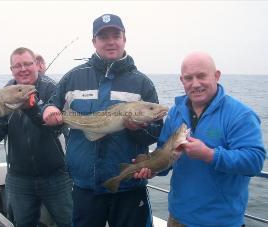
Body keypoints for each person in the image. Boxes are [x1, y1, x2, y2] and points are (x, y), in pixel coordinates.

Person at [42, 14, 163, 227]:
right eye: (103, 36)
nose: (110, 41)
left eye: (116, 35)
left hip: (129, 186)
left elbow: (155, 132)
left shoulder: (142, 83)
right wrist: (49, 109)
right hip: (84, 187)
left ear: (124, 38)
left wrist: (137, 129)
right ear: (94, 42)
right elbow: (52, 103)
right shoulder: (73, 77)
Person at [135, 51, 266, 227]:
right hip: (177, 218)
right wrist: (152, 169)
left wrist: (210, 155)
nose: (195, 84)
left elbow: (254, 162)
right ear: (182, 81)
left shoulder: (240, 115)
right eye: (188, 78)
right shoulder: (175, 113)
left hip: (221, 222)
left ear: (216, 76)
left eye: (201, 76)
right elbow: (164, 155)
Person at [0, 47, 73, 227]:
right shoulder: (5, 92)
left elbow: (57, 129)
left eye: (28, 64)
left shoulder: (53, 89)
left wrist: (32, 110)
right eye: (17, 66)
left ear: (36, 65)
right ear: (11, 69)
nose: (23, 69)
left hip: (56, 175)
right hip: (19, 178)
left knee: (69, 222)